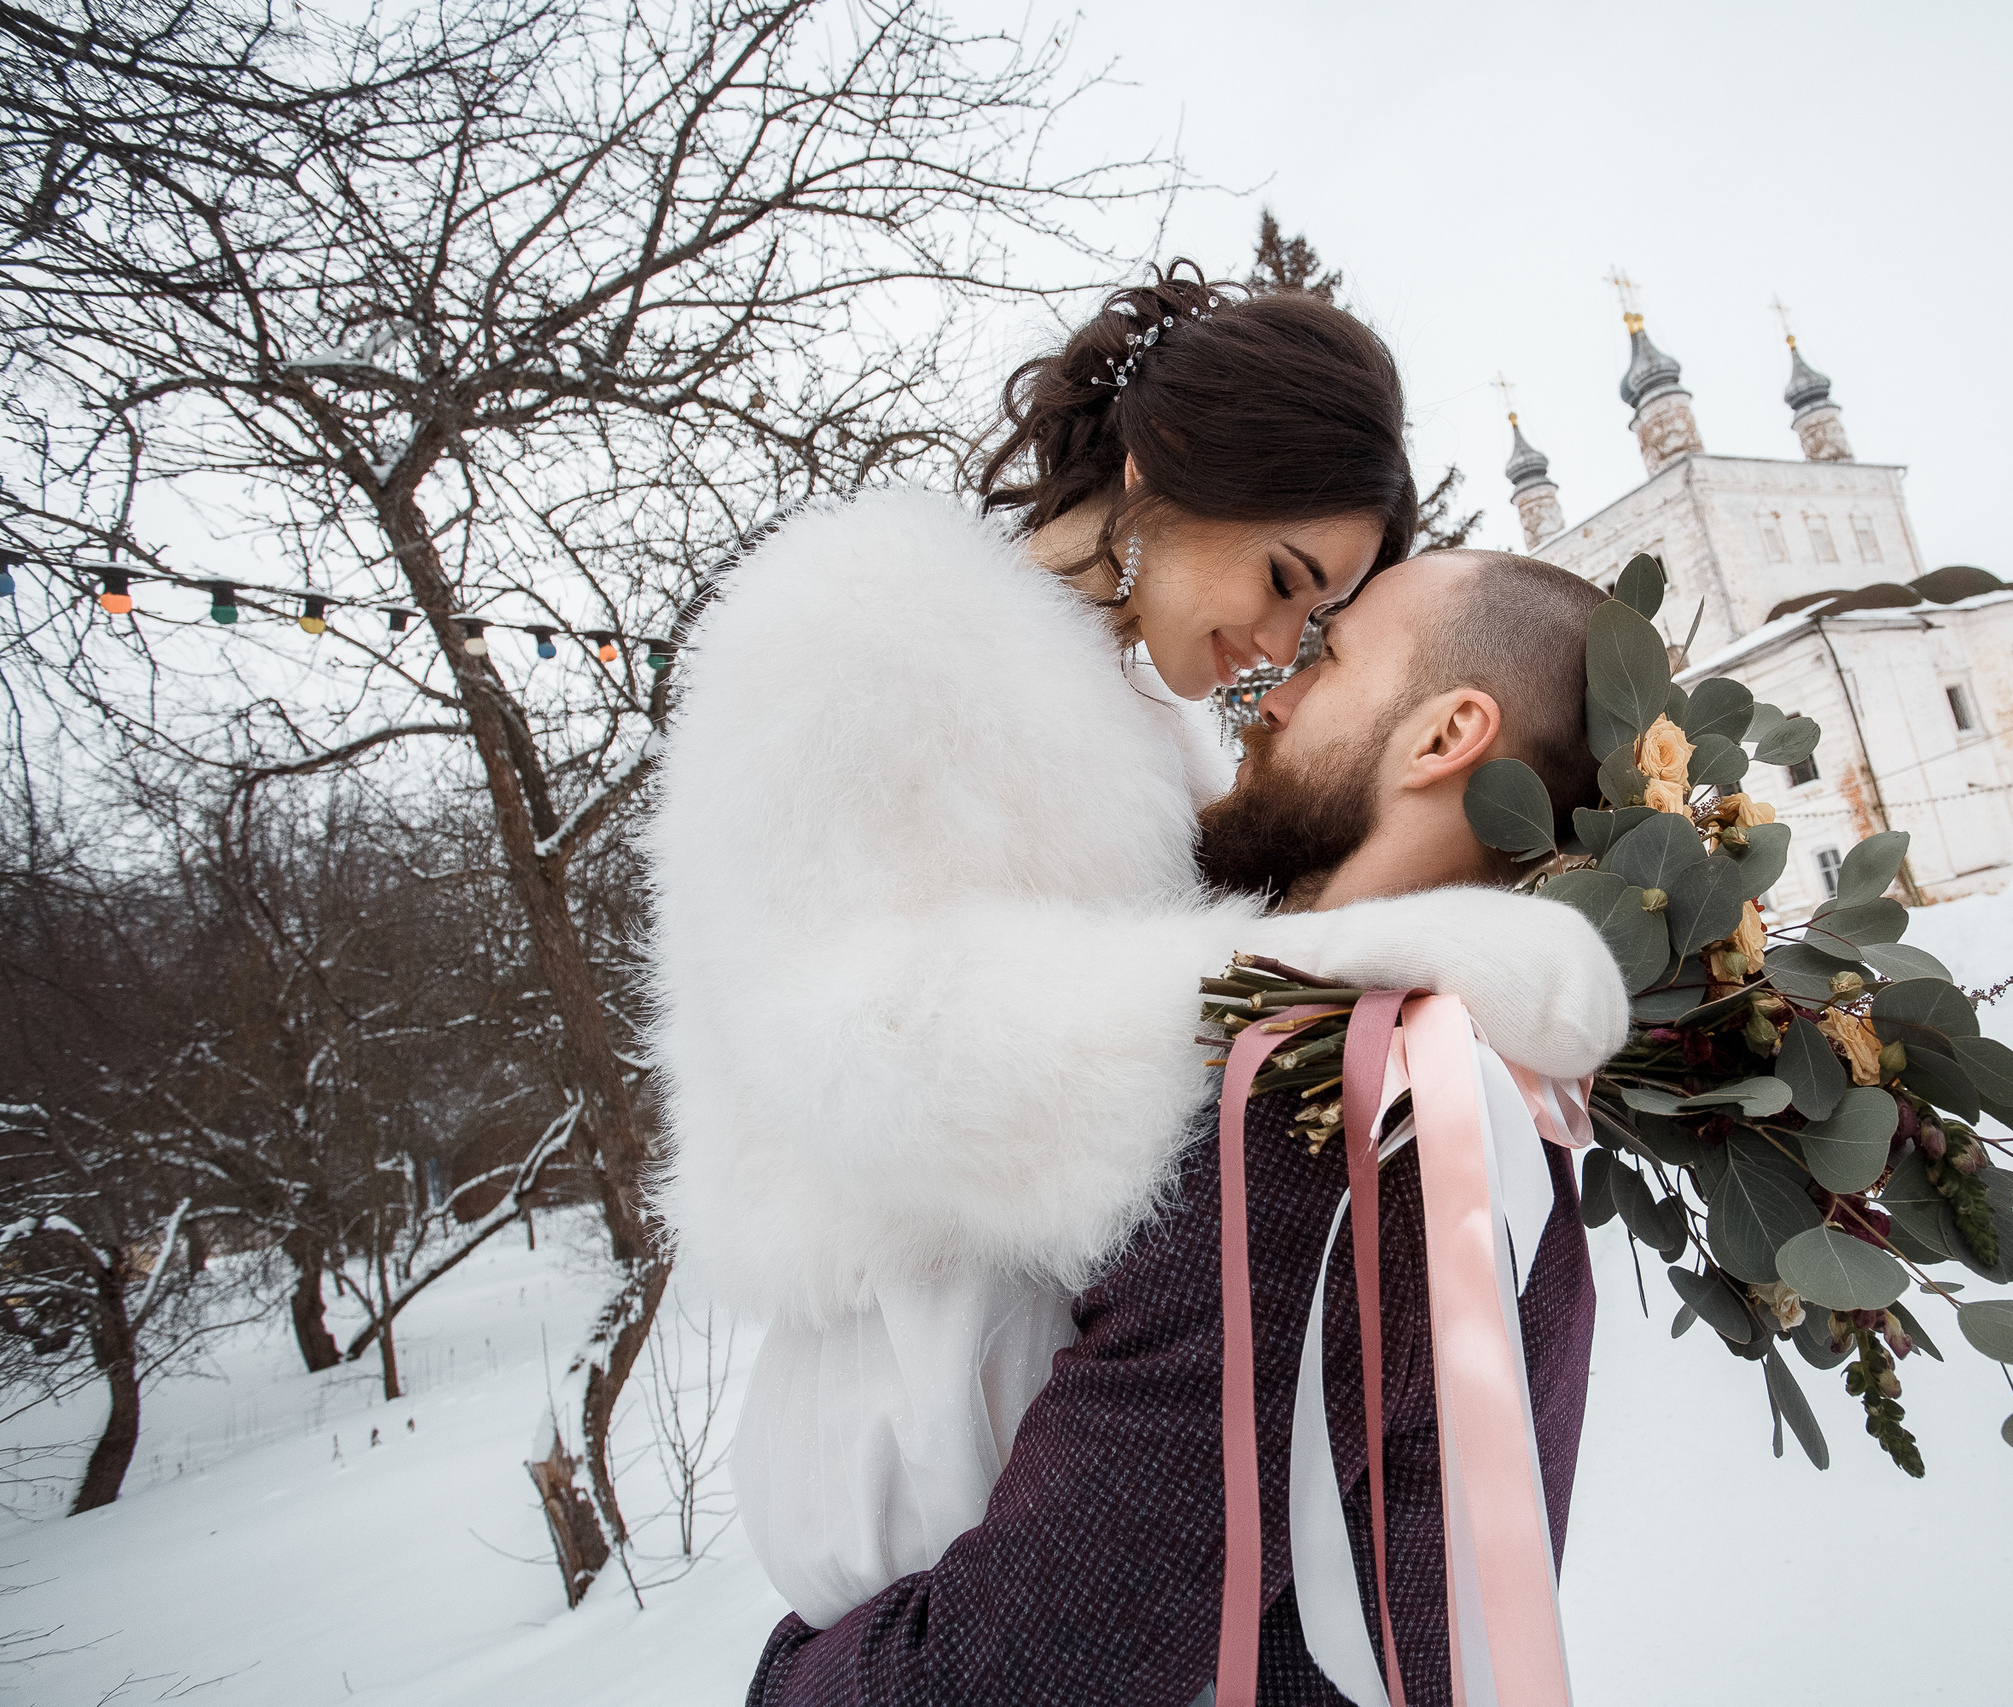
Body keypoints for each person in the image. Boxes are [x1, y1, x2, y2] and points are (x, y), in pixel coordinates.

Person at [648, 268, 1629, 1634]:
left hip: (1077, 1410)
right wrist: (1341, 964)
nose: (1278, 646)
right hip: (902, 1397)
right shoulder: (860, 622)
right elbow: (858, 1043)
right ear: (1171, 464)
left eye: (1321, 622)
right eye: (1287, 580)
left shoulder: (1159, 732)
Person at [742, 547, 1612, 1707]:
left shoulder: (1342, 1109)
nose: (1271, 696)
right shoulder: (1490, 1072)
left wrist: (790, 1677)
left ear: (1445, 737)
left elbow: (1017, 1668)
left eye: (1331, 658)